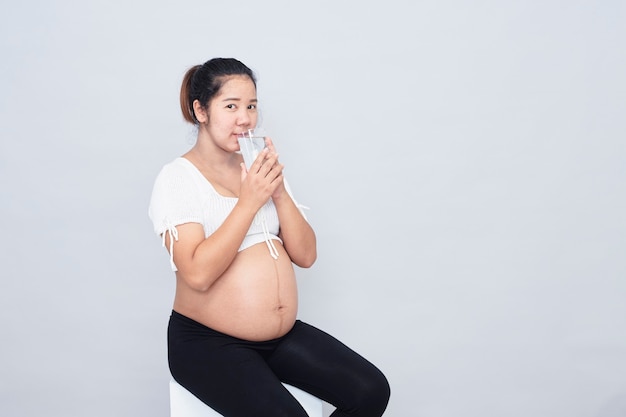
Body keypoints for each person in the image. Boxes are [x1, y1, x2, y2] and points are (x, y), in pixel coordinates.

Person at [148, 57, 390, 417]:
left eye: (251, 106)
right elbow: (197, 275)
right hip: (206, 343)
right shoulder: (178, 178)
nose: (244, 118)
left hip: (278, 338)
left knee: (370, 390)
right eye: (230, 106)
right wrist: (249, 201)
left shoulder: (258, 169)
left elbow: (306, 255)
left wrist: (276, 191)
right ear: (201, 110)